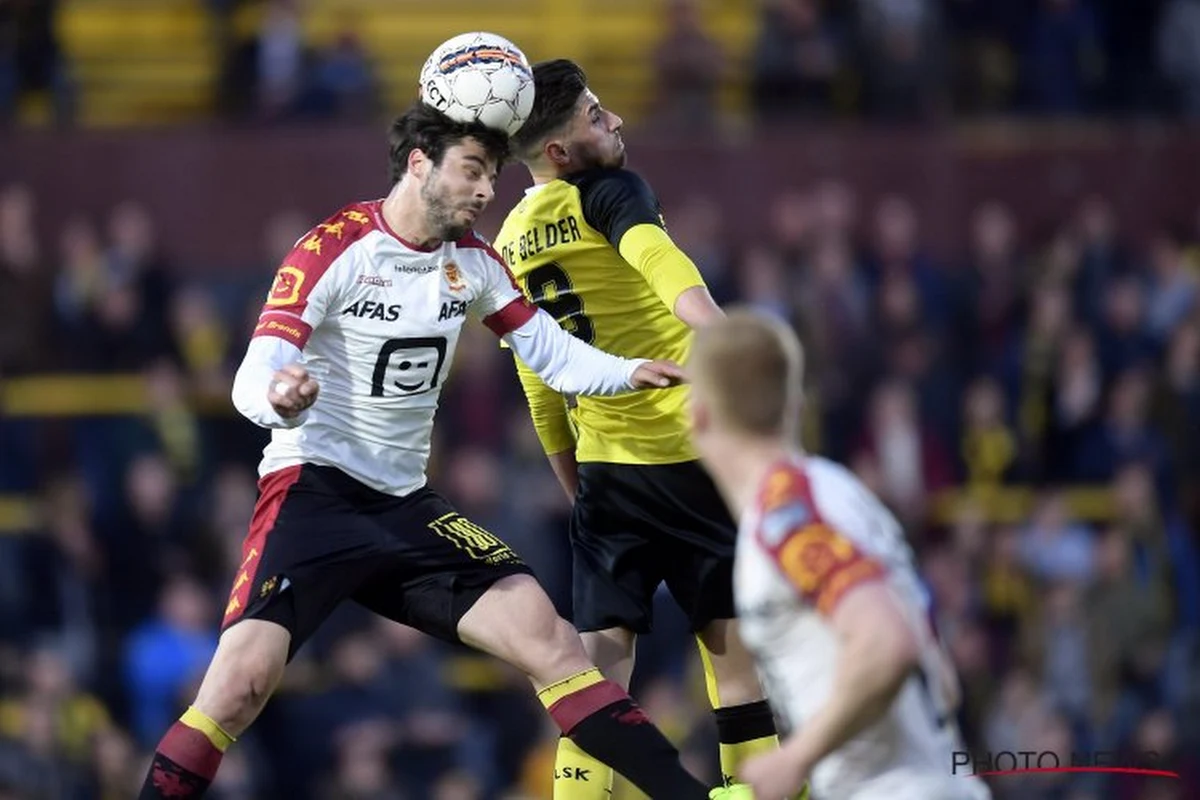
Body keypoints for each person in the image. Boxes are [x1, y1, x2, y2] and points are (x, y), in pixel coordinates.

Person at [136, 103, 733, 800]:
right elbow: (251, 375)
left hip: (406, 507)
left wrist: (628, 370)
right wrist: (280, 395)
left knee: (553, 640)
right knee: (235, 690)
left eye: (494, 175)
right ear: (420, 162)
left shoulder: (476, 264)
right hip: (313, 496)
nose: (486, 191)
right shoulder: (333, 246)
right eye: (473, 171)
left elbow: (552, 355)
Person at [495, 58, 784, 799]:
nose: (614, 121)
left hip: (607, 473)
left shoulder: (509, 241)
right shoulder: (612, 193)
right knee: (734, 661)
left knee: (594, 676)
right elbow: (661, 264)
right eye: (595, 115)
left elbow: (538, 382)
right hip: (691, 456)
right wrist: (721, 333)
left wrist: (579, 484)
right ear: (559, 151)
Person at [687, 309, 993, 800]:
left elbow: (888, 642)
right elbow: (941, 676)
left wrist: (796, 757)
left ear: (697, 415)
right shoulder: (839, 493)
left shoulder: (787, 516)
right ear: (796, 405)